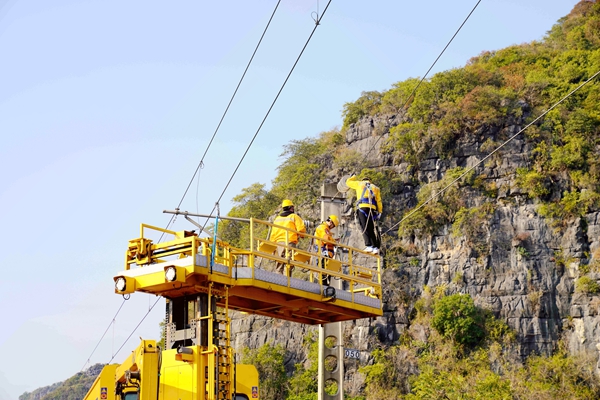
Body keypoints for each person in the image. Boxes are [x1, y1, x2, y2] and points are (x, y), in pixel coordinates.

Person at [346, 175, 382, 254]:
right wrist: (380, 212)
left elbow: (348, 182)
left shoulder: (359, 184)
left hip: (362, 208)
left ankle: (369, 245)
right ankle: (375, 247)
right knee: (371, 228)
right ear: (370, 181)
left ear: (363, 179)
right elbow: (378, 201)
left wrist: (353, 177)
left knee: (364, 227)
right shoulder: (376, 188)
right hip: (372, 209)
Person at [269, 199, 307, 275]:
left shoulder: (277, 219)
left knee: (279, 263)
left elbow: (273, 234)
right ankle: (287, 281)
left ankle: (279, 279)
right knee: (288, 262)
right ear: (291, 208)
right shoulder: (294, 216)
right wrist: (302, 235)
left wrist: (272, 246)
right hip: (289, 242)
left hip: (279, 244)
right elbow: (301, 229)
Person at [314, 215, 339, 286]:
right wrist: (334, 241)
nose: (332, 227)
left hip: (325, 251)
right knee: (323, 268)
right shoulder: (323, 228)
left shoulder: (325, 228)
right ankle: (323, 286)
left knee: (326, 269)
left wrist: (334, 240)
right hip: (323, 251)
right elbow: (326, 239)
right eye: (333, 226)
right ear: (331, 222)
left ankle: (325, 285)